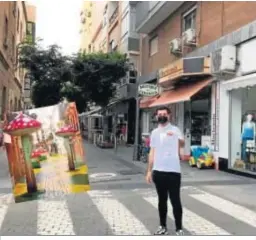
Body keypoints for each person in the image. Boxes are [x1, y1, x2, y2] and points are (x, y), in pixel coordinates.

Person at [145, 106, 184, 235]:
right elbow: (152, 152)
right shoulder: (155, 132)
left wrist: (177, 139)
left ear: (169, 116)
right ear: (157, 117)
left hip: (173, 171)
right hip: (159, 171)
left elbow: (182, 144)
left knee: (175, 200)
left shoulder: (175, 130)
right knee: (162, 200)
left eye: (164, 114)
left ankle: (179, 228)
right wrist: (149, 171)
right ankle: (163, 226)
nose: (161, 116)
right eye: (159, 114)